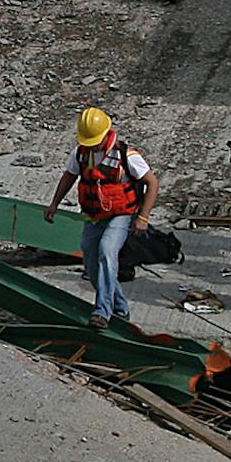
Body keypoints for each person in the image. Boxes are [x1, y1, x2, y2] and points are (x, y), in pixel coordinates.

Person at [43, 108, 158, 330]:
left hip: (121, 215)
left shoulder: (127, 156)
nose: (92, 144)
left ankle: (102, 312)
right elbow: (69, 176)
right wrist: (54, 203)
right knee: (92, 264)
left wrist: (143, 216)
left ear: (107, 133)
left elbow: (152, 183)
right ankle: (120, 307)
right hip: (94, 215)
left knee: (107, 252)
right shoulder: (81, 153)